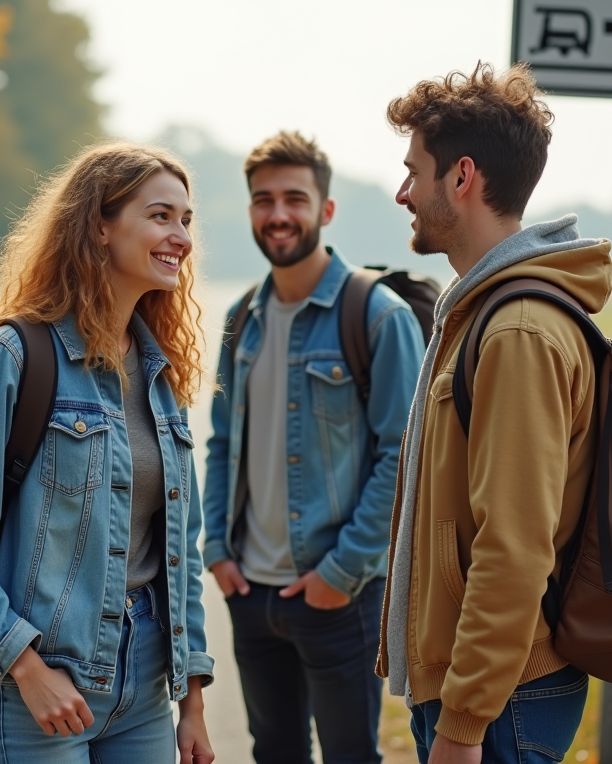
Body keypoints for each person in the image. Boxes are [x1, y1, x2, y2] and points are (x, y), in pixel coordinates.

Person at [0, 142, 216, 764]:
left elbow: (179, 548)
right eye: (161, 216)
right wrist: (23, 666)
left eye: (186, 220)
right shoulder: (13, 358)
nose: (181, 236)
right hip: (43, 687)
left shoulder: (163, 373)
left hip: (146, 685)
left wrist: (191, 700)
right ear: (99, 226)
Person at [377, 63, 612, 764]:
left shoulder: (516, 331)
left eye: (413, 171)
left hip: (500, 703)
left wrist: (465, 722)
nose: (403, 193)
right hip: (484, 693)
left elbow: (513, 547)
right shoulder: (483, 313)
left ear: (462, 178)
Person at [203, 131, 425, 764]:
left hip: (339, 595)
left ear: (325, 210)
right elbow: (223, 445)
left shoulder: (376, 315)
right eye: (263, 199)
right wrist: (218, 549)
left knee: (352, 754)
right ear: (250, 209)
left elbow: (402, 457)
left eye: (294, 198)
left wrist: (341, 572)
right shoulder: (241, 318)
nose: (278, 214)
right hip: (252, 592)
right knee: (273, 752)